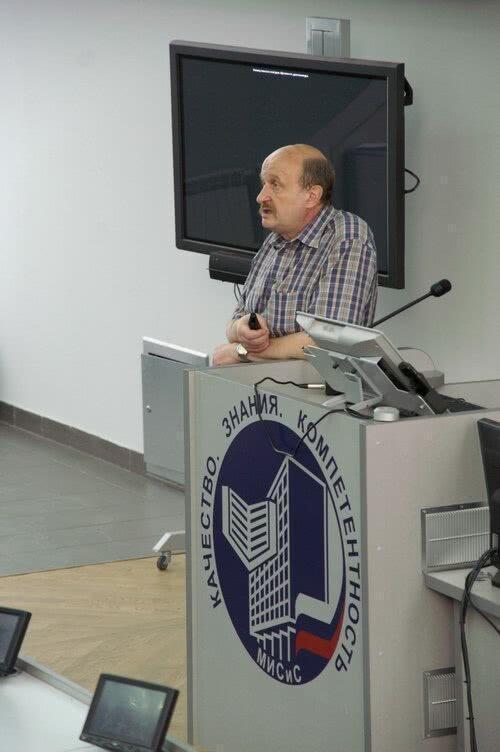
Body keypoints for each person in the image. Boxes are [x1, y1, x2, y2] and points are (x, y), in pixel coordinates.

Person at [212, 144, 377, 366]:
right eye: (263, 184)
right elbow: (236, 320)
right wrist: (240, 329)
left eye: (275, 185)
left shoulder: (348, 238)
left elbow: (330, 341)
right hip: (260, 379)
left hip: (312, 383)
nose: (261, 196)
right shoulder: (276, 238)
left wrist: (241, 352)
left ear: (311, 196)